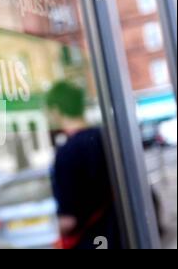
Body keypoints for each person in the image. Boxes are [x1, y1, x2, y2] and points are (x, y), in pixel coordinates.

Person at [46, 80, 122, 249]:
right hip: (120, 234)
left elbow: (69, 221)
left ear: (56, 111)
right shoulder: (106, 137)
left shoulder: (67, 152)